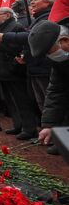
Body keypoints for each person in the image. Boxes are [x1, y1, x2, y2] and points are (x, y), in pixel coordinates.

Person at [0, 0, 57, 112]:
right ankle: (49, 130)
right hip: (35, 67)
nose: (32, 2)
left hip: (44, 68)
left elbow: (32, 37)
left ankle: (55, 131)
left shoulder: (49, 18)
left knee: (51, 106)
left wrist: (5, 37)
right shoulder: (38, 18)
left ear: (49, 1)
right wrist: (25, 57)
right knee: (43, 105)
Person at [0, 7, 39, 140]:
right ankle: (18, 125)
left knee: (22, 100)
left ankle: (29, 129)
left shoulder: (16, 27)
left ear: (8, 15)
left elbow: (16, 48)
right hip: (2, 70)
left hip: (13, 70)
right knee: (10, 101)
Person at [29, 21, 69, 155]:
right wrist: (49, 125)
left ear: (64, 40)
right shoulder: (60, 62)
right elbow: (56, 92)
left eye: (50, 52)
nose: (50, 56)